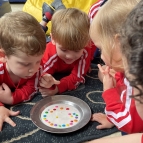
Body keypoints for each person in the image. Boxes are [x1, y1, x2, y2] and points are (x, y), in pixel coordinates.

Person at [89, 0, 143, 142]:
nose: (100, 56)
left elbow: (131, 125)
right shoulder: (132, 65)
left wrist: (109, 91)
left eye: (100, 49)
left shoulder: (136, 79)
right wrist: (118, 77)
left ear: (119, 44)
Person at [0, 11, 46, 131]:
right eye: (25, 64)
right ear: (3, 56)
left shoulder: (37, 67)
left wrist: (11, 99)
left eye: (38, 61)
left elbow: (31, 89)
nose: (34, 69)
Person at [38, 8, 96, 96]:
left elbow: (77, 77)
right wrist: (45, 79)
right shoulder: (49, 52)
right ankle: (46, 17)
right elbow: (39, 74)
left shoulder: (85, 49)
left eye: (77, 50)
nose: (70, 56)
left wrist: (58, 88)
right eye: (64, 50)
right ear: (53, 39)